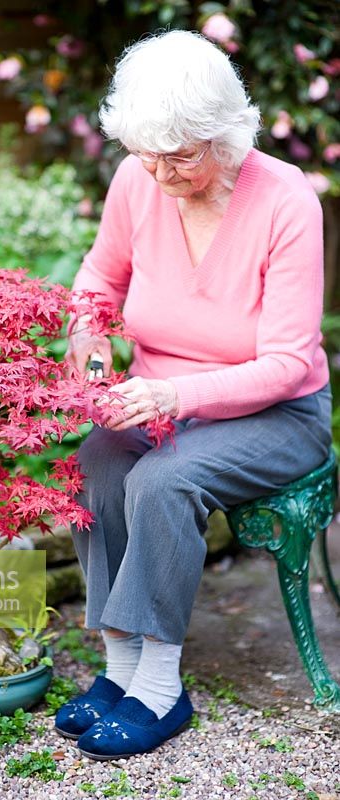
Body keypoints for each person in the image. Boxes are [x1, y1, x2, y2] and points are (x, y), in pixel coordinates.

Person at [54, 29, 332, 761]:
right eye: (148, 152)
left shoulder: (286, 202)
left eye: (180, 154)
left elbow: (284, 361)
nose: (161, 170)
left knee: (162, 479)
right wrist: (88, 336)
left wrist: (174, 393)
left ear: (226, 134)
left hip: (275, 412)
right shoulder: (136, 180)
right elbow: (97, 280)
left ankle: (158, 686)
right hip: (155, 395)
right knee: (97, 465)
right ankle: (117, 673)